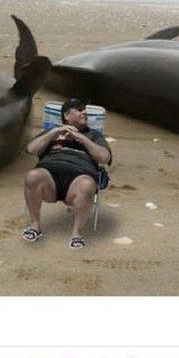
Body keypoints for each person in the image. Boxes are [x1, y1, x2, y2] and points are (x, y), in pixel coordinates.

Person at [21, 98, 112, 249]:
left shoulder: (94, 135)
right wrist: (55, 131)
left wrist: (83, 139)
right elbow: (31, 149)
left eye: (85, 110)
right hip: (49, 178)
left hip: (79, 177)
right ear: (67, 115)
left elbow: (104, 157)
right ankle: (35, 226)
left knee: (87, 184)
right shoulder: (51, 133)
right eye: (79, 109)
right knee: (32, 176)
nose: (84, 112)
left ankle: (77, 234)